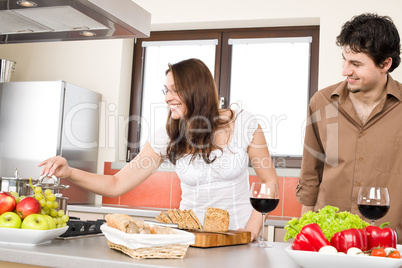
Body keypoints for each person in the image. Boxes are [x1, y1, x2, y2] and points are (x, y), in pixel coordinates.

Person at [39, 58, 278, 241]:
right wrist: (69, 172)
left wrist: (250, 232)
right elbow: (116, 184)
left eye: (175, 90)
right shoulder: (168, 135)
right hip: (190, 241)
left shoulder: (244, 123)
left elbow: (270, 182)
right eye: (166, 90)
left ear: (197, 91)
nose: (167, 98)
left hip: (240, 238)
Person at [296, 13, 402, 243]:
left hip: (389, 240)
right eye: (344, 60)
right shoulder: (322, 102)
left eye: (355, 64)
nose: (345, 71)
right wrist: (304, 233)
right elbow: (310, 172)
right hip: (329, 239)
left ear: (385, 64)